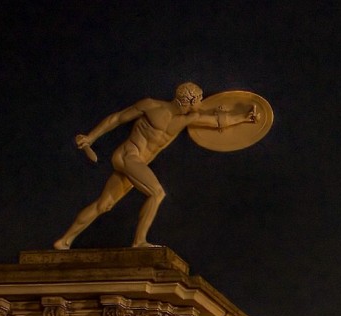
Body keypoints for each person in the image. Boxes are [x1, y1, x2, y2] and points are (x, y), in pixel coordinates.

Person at [54, 82, 257, 250]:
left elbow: (216, 121)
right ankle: (139, 242)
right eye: (200, 98)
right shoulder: (151, 106)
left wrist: (244, 118)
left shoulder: (188, 118)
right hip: (128, 155)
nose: (202, 101)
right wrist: (90, 137)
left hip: (137, 164)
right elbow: (117, 118)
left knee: (104, 205)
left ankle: (64, 241)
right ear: (190, 100)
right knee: (157, 193)